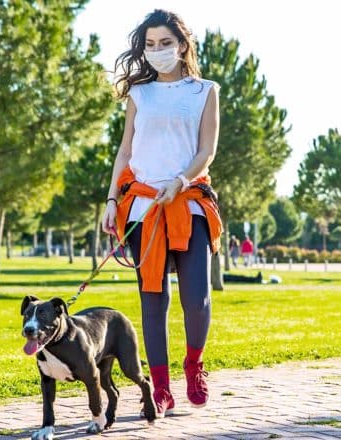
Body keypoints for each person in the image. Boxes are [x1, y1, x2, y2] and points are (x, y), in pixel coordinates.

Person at [100, 9, 222, 418]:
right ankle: (161, 387)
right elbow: (125, 149)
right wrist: (112, 198)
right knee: (153, 299)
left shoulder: (204, 91)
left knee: (197, 297)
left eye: (165, 43)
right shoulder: (140, 94)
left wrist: (182, 181)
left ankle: (194, 365)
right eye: (150, 45)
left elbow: (207, 150)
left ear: (183, 45)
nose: (157, 51)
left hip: (189, 203)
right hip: (144, 206)